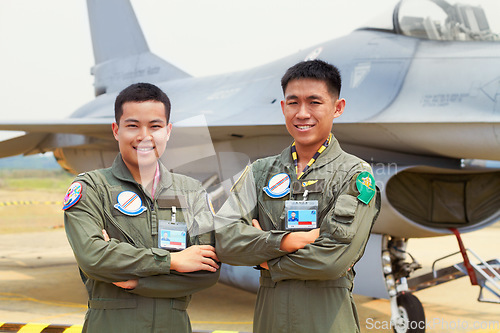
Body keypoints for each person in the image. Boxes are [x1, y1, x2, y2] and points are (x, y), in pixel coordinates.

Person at [215, 59, 381, 333]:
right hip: (270, 320)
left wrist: (262, 255)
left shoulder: (354, 174)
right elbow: (223, 239)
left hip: (326, 319)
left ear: (337, 108)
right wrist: (287, 241)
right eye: (293, 103)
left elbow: (333, 260)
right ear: (283, 107)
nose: (302, 113)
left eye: (314, 102)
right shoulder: (260, 172)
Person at [63, 83, 220, 333]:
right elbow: (92, 257)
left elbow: (208, 271)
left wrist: (135, 281)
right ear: (116, 130)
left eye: (155, 126)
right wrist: (171, 261)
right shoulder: (92, 187)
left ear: (168, 131)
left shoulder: (191, 192)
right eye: (133, 125)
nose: (144, 136)